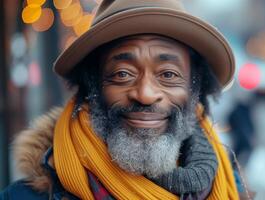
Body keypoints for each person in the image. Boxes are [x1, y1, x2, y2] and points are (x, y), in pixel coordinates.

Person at [0, 0, 241, 199]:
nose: (145, 94)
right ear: (93, 88)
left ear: (193, 89)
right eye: (122, 74)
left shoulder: (230, 182)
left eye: (168, 74)